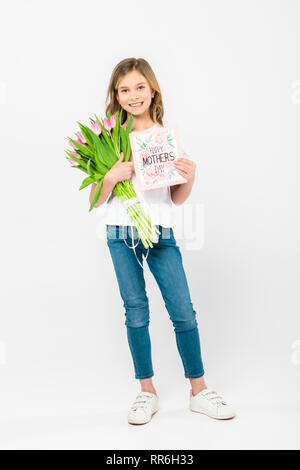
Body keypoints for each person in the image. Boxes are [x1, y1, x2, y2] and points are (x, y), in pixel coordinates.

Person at [89, 58, 236, 425]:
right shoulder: (109, 137)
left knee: (183, 310)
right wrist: (111, 176)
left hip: (160, 233)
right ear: (116, 96)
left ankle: (199, 391)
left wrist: (189, 176)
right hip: (120, 235)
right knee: (135, 311)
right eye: (124, 90)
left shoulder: (164, 137)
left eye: (140, 87)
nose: (133, 95)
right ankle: (146, 392)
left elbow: (176, 198)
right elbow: (93, 198)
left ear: (153, 89)